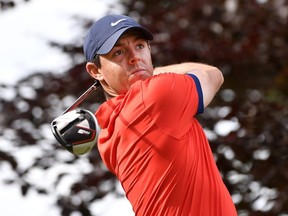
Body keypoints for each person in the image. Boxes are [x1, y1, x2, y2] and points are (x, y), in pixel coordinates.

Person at [83, 14, 237, 216]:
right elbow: (212, 75)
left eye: (140, 46)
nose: (134, 57)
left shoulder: (108, 132)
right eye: (119, 52)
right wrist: (151, 71)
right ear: (95, 71)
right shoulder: (155, 95)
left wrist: (138, 72)